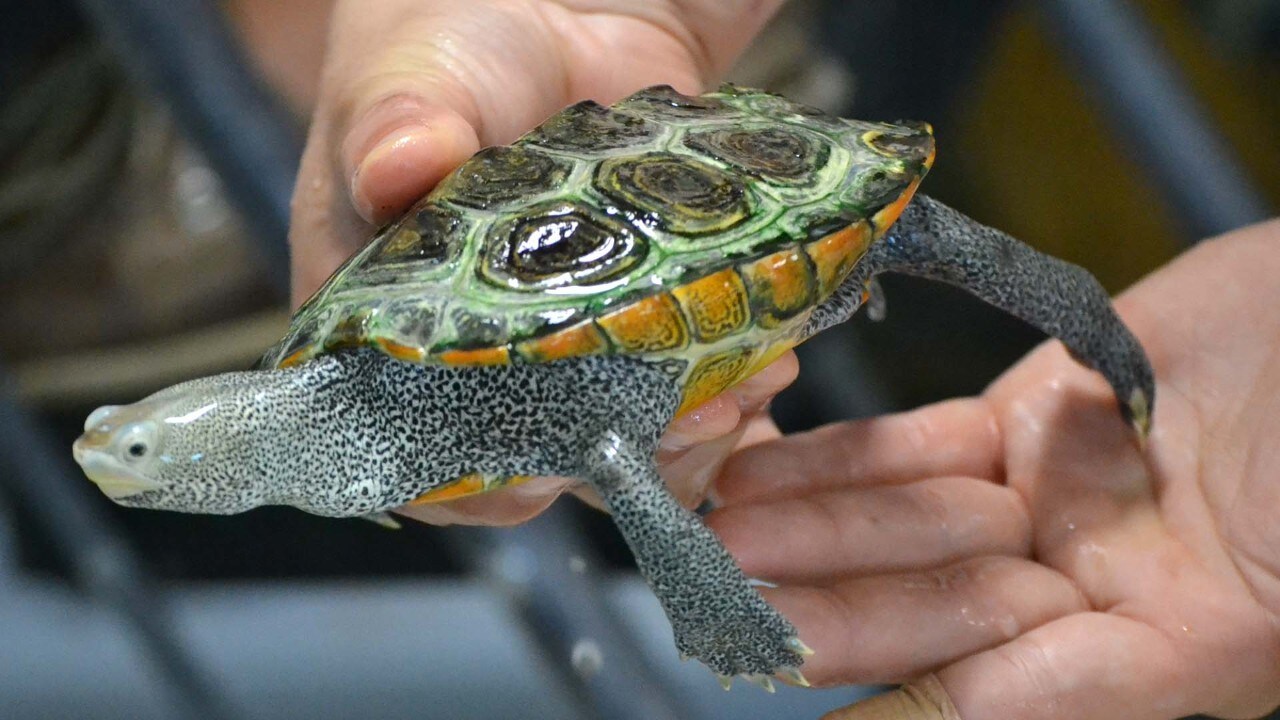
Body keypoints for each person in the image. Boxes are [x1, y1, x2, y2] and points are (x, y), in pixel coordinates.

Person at [277, 1, 1280, 717]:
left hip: (749, 198)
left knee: (961, 251)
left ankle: (1095, 331)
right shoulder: (372, 399)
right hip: (637, 245)